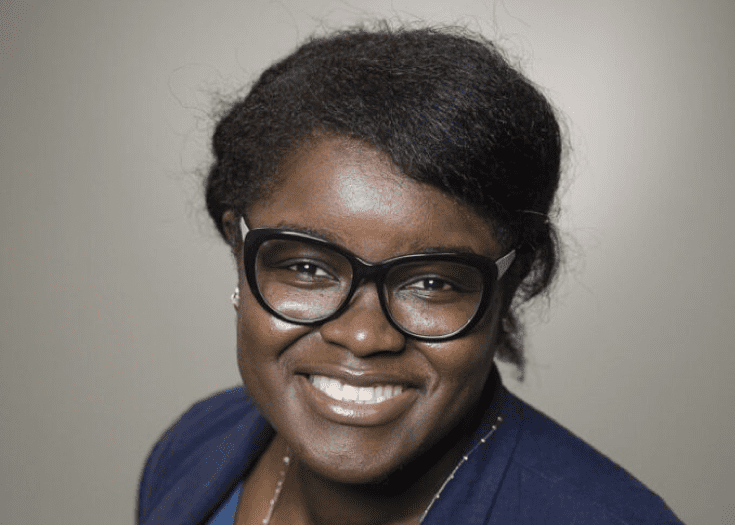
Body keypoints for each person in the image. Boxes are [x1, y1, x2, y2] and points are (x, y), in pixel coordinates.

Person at [137, 25, 683, 524]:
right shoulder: (194, 447)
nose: (363, 336)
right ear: (239, 248)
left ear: (510, 284)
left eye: (432, 283)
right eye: (307, 267)